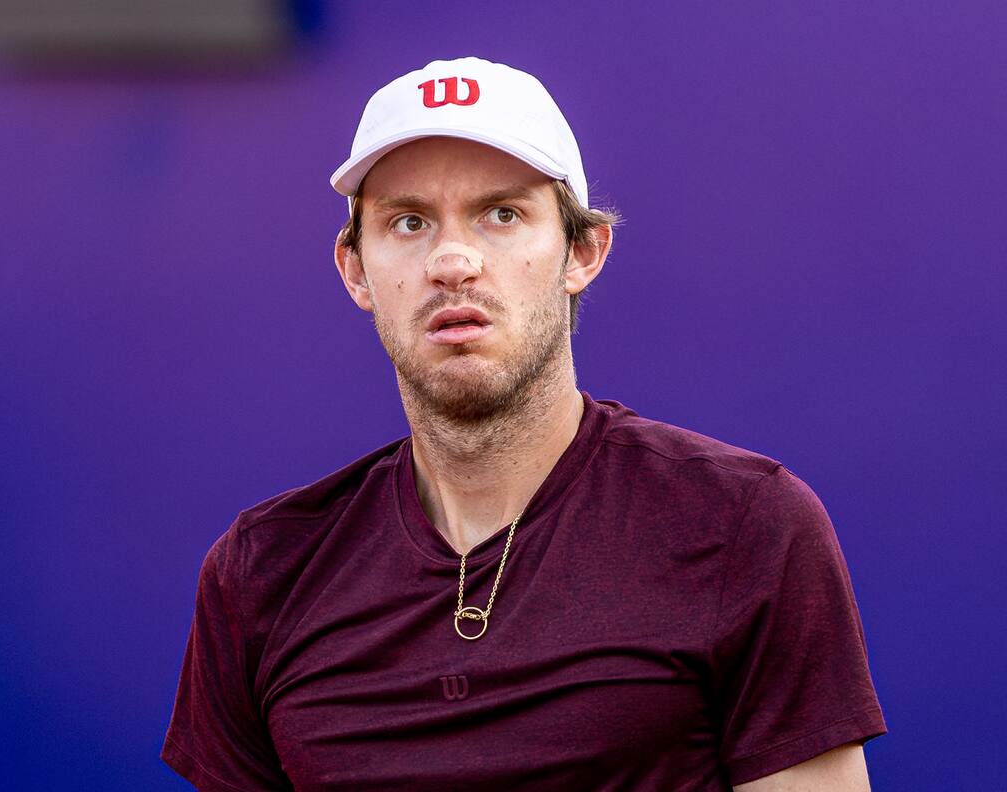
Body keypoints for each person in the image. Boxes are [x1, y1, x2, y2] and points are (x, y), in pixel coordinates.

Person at [162, 56, 887, 791]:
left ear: (582, 251)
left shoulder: (744, 526)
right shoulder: (263, 573)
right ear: (356, 271)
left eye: (502, 214)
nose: (453, 260)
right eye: (408, 221)